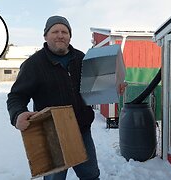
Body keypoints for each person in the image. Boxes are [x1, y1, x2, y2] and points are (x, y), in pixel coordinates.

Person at [6, 15, 101, 180]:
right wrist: (17, 114)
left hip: (81, 130)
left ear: (70, 36)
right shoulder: (33, 64)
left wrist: (114, 87)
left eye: (64, 31)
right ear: (45, 36)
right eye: (54, 31)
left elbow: (95, 86)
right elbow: (16, 96)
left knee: (91, 176)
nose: (60, 35)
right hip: (52, 133)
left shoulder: (82, 58)